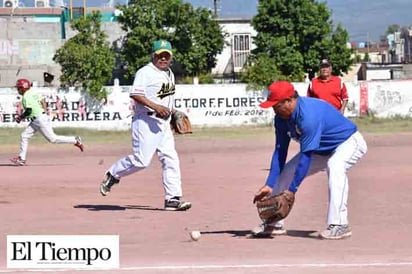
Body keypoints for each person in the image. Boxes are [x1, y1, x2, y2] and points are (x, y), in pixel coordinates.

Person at [252, 81, 367, 240]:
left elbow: (306, 156)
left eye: (276, 105)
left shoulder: (308, 116)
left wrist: (292, 190)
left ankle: (340, 224)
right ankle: (274, 222)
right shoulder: (281, 119)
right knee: (287, 172)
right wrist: (270, 184)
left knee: (335, 165)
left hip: (348, 142)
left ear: (290, 100)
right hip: (320, 149)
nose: (273, 109)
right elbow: (280, 150)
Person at [99, 39, 191, 211]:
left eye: (166, 56)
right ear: (153, 55)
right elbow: (135, 94)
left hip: (162, 124)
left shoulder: (169, 73)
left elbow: (164, 99)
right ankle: (113, 174)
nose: (163, 59)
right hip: (146, 121)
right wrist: (157, 107)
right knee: (142, 160)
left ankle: (172, 199)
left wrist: (172, 112)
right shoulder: (145, 72)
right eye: (160, 55)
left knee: (170, 159)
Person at [10, 78, 84, 166]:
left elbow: (29, 111)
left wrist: (20, 117)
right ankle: (21, 159)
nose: (18, 90)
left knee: (53, 139)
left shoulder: (26, 96)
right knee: (24, 135)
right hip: (37, 119)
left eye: (19, 88)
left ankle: (75, 140)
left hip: (39, 119)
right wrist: (44, 111)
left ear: (23, 88)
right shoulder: (33, 92)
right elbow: (42, 100)